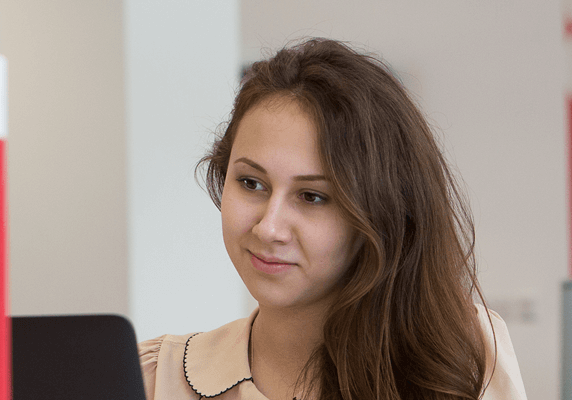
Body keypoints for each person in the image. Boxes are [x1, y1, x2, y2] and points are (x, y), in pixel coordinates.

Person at [137, 38, 526, 400]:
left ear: (382, 213)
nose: (268, 228)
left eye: (312, 197)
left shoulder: (463, 355)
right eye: (251, 183)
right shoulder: (154, 379)